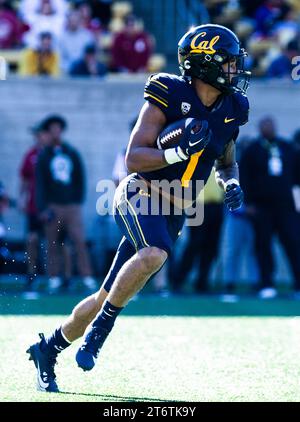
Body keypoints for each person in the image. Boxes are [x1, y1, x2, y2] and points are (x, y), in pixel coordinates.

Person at [27, 24, 250, 392]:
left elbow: (226, 160)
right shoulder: (169, 92)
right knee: (155, 253)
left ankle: (47, 349)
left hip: (177, 208)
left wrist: (232, 183)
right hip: (141, 191)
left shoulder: (232, 108)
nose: (234, 70)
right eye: (227, 62)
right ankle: (101, 330)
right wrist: (179, 152)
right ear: (205, 64)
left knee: (105, 294)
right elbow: (134, 158)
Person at [35, 114, 97, 294]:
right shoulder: (44, 156)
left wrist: (77, 201)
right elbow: (40, 184)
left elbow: (80, 178)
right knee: (52, 243)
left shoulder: (72, 153)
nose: (55, 132)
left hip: (71, 206)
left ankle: (86, 277)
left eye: (57, 128)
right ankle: (54, 278)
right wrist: (43, 207)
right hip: (53, 205)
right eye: (51, 128)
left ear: (61, 130)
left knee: (79, 241)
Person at [240, 116, 300, 299]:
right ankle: (266, 284)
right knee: (263, 245)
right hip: (261, 207)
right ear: (259, 128)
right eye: (264, 125)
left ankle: (298, 284)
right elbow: (244, 177)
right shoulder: (252, 150)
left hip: (286, 207)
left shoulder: (287, 148)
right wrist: (248, 204)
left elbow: (297, 177)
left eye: (271, 124)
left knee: (293, 244)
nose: (268, 127)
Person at [19, 121, 51, 292]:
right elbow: (24, 179)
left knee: (55, 242)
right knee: (32, 239)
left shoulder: (53, 155)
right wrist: (22, 198)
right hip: (33, 207)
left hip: (51, 206)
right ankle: (31, 275)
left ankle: (54, 277)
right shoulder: (31, 155)